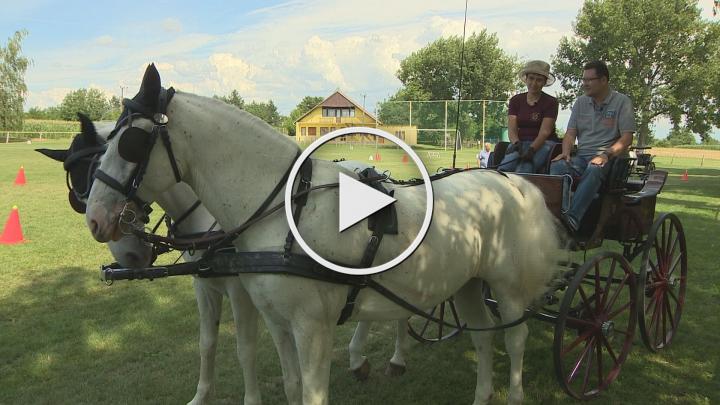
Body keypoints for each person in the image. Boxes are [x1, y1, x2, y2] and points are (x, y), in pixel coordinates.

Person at [550, 60, 636, 233]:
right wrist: (566, 153)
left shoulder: (621, 102)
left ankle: (572, 221)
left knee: (595, 167)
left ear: (604, 80)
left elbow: (626, 138)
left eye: (590, 80)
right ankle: (561, 215)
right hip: (581, 157)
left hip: (612, 160)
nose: (585, 84)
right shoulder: (581, 103)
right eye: (583, 80)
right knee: (558, 166)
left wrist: (606, 155)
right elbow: (570, 133)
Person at [499, 60, 559, 173]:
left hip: (544, 143)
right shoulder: (516, 100)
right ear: (526, 79)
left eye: (539, 80)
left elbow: (545, 132)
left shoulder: (551, 102)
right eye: (531, 78)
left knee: (525, 168)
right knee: (506, 167)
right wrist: (517, 144)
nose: (534, 83)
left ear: (544, 82)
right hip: (520, 142)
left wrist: (532, 149)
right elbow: (512, 130)